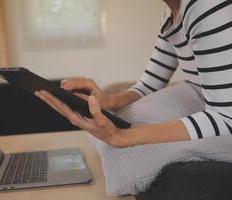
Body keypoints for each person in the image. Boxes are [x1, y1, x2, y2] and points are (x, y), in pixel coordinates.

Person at [35, 0, 232, 148]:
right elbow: (147, 85)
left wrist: (121, 137)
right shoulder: (170, 17)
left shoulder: (208, 7)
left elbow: (226, 119)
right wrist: (105, 101)